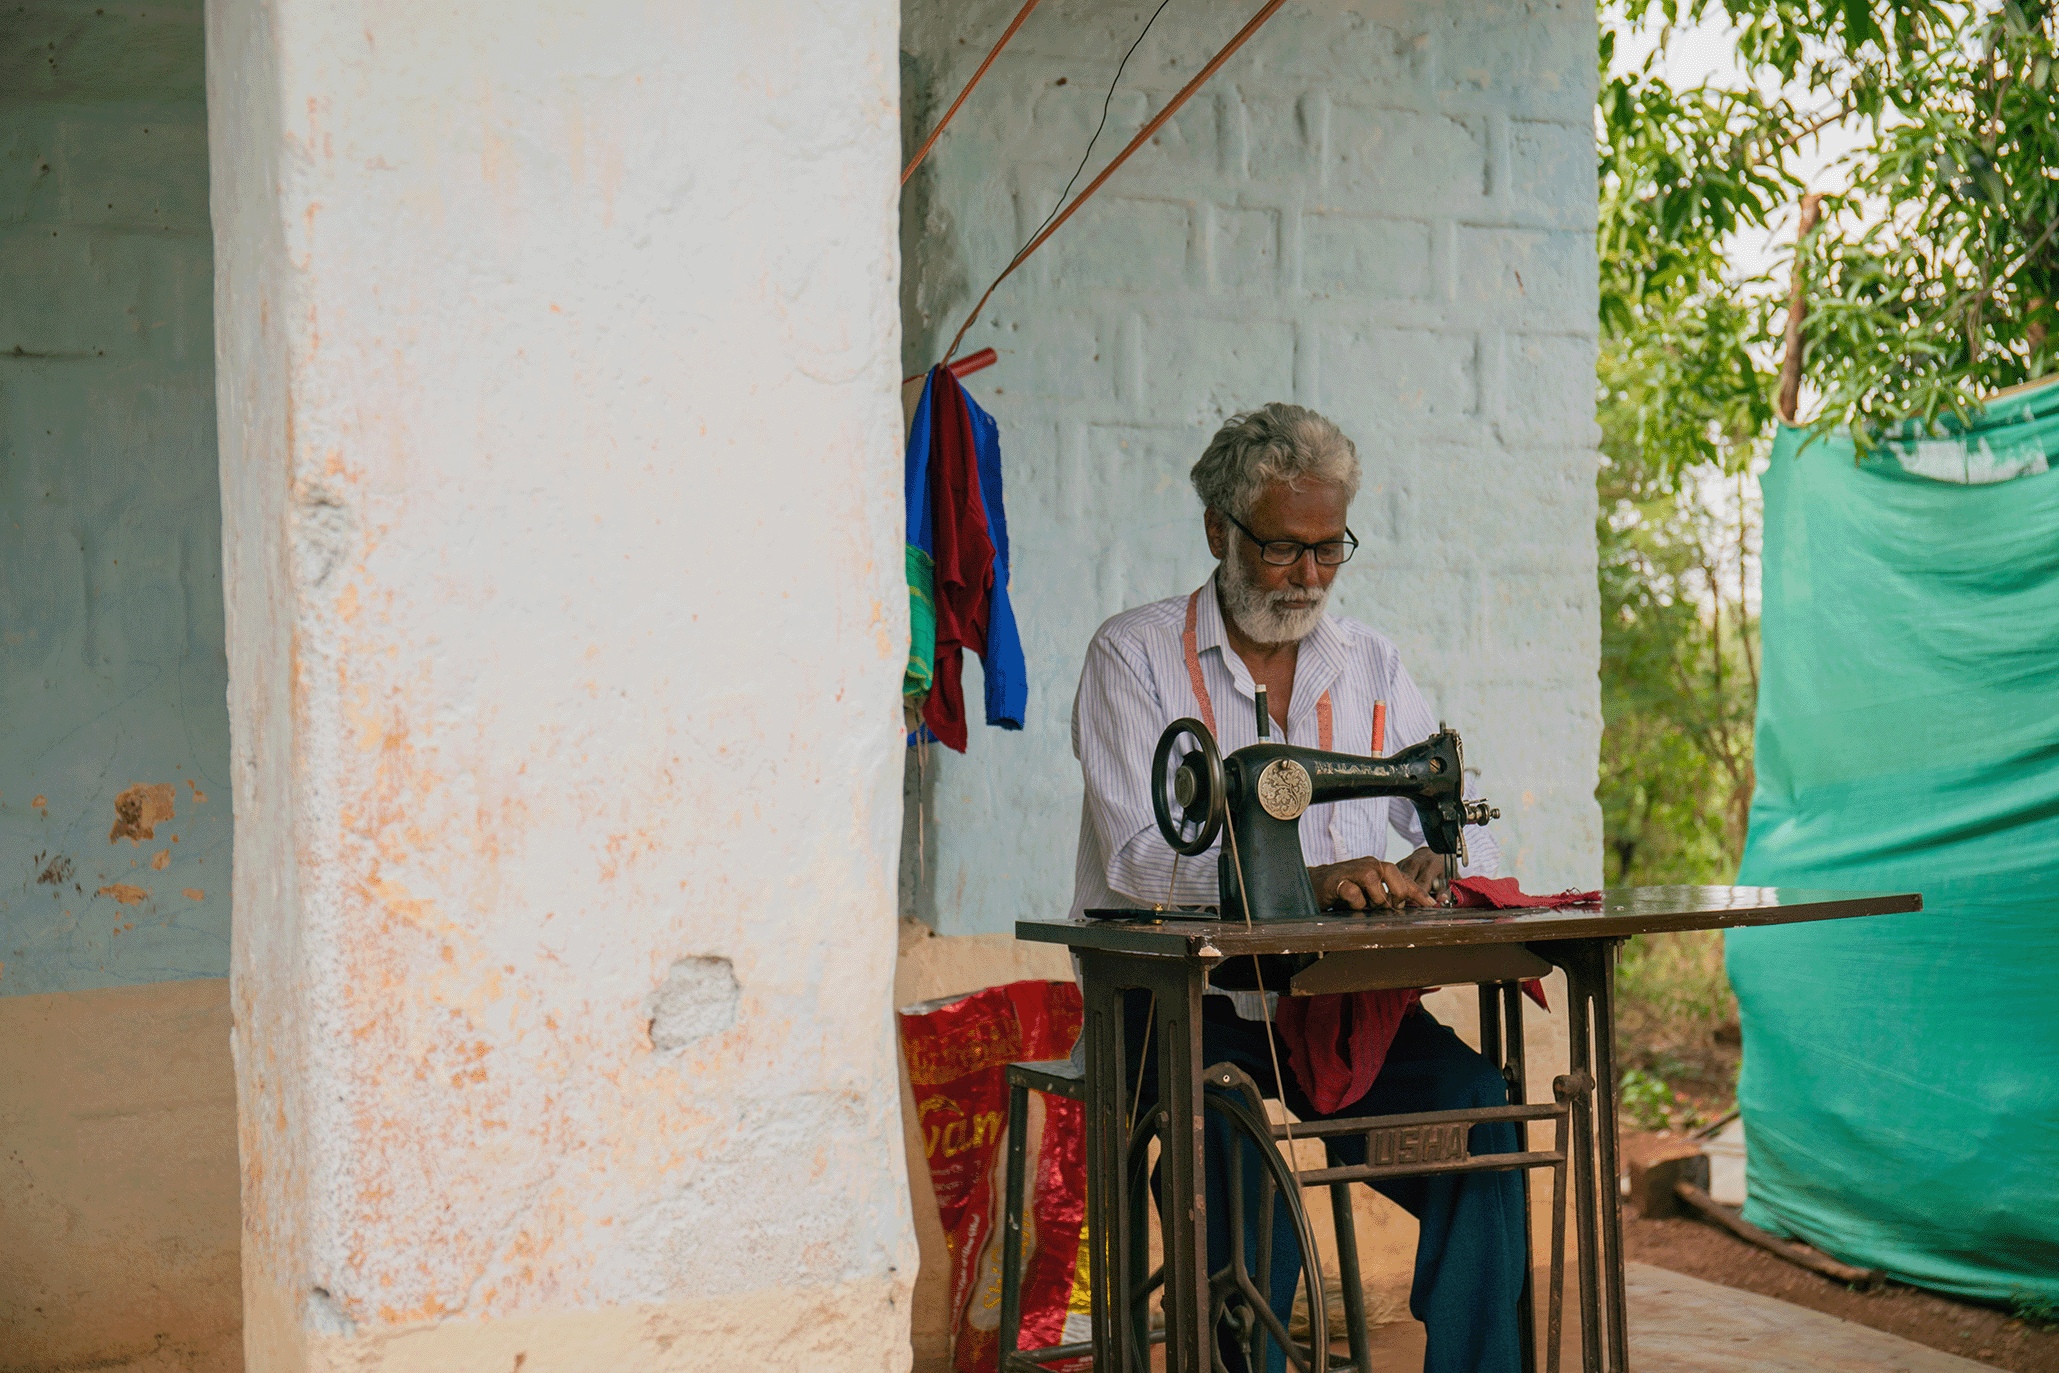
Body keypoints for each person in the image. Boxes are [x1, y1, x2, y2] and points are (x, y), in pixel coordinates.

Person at [1069, 403, 1525, 1373]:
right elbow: (1137, 861)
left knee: (1483, 1115)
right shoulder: (1132, 655)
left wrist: (1428, 864)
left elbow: (1439, 808)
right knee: (1243, 1176)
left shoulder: (1369, 662)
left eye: (1329, 549)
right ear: (1217, 531)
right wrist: (1300, 879)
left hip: (1332, 1008)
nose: (1309, 576)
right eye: (1281, 550)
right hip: (1182, 1011)